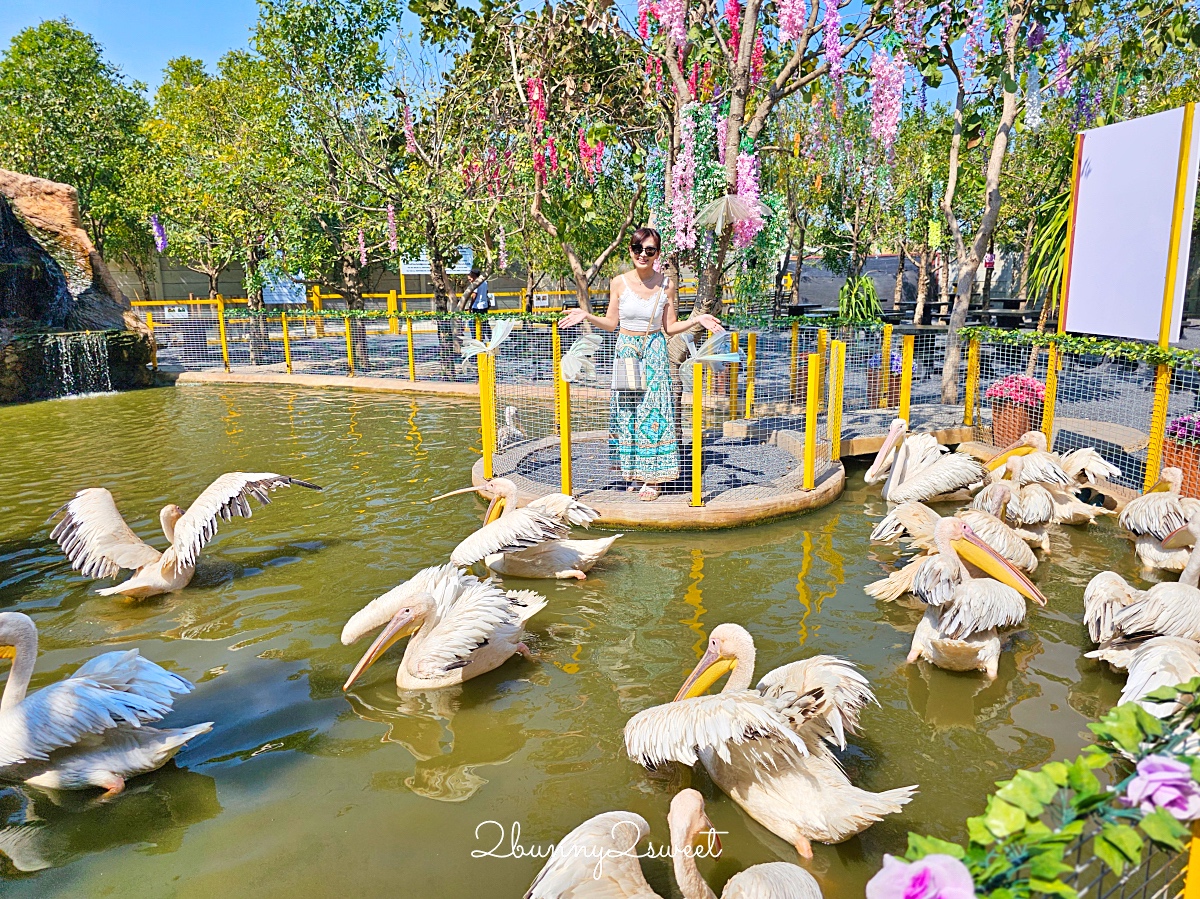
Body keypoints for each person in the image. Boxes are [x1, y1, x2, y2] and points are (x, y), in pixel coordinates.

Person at [560, 227, 724, 501]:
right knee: (629, 411)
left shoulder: (666, 285)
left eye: (650, 250)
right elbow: (612, 323)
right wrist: (585, 315)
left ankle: (653, 478)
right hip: (627, 350)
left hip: (655, 350)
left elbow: (670, 327)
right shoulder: (619, 283)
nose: (643, 255)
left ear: (657, 254)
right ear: (631, 250)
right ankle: (635, 471)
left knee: (655, 411)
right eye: (638, 249)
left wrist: (698, 319)